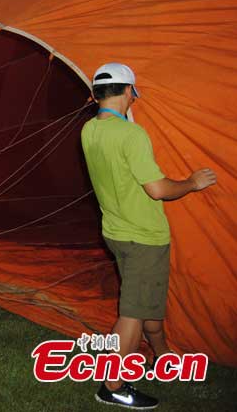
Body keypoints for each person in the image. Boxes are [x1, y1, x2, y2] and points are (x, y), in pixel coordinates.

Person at [81, 62, 216, 409]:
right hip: (143, 237)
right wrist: (191, 182)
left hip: (115, 232)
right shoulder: (132, 136)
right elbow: (156, 189)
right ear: (129, 92)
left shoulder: (89, 130)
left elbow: (119, 141)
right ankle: (112, 386)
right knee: (133, 313)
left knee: (146, 304)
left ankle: (163, 356)